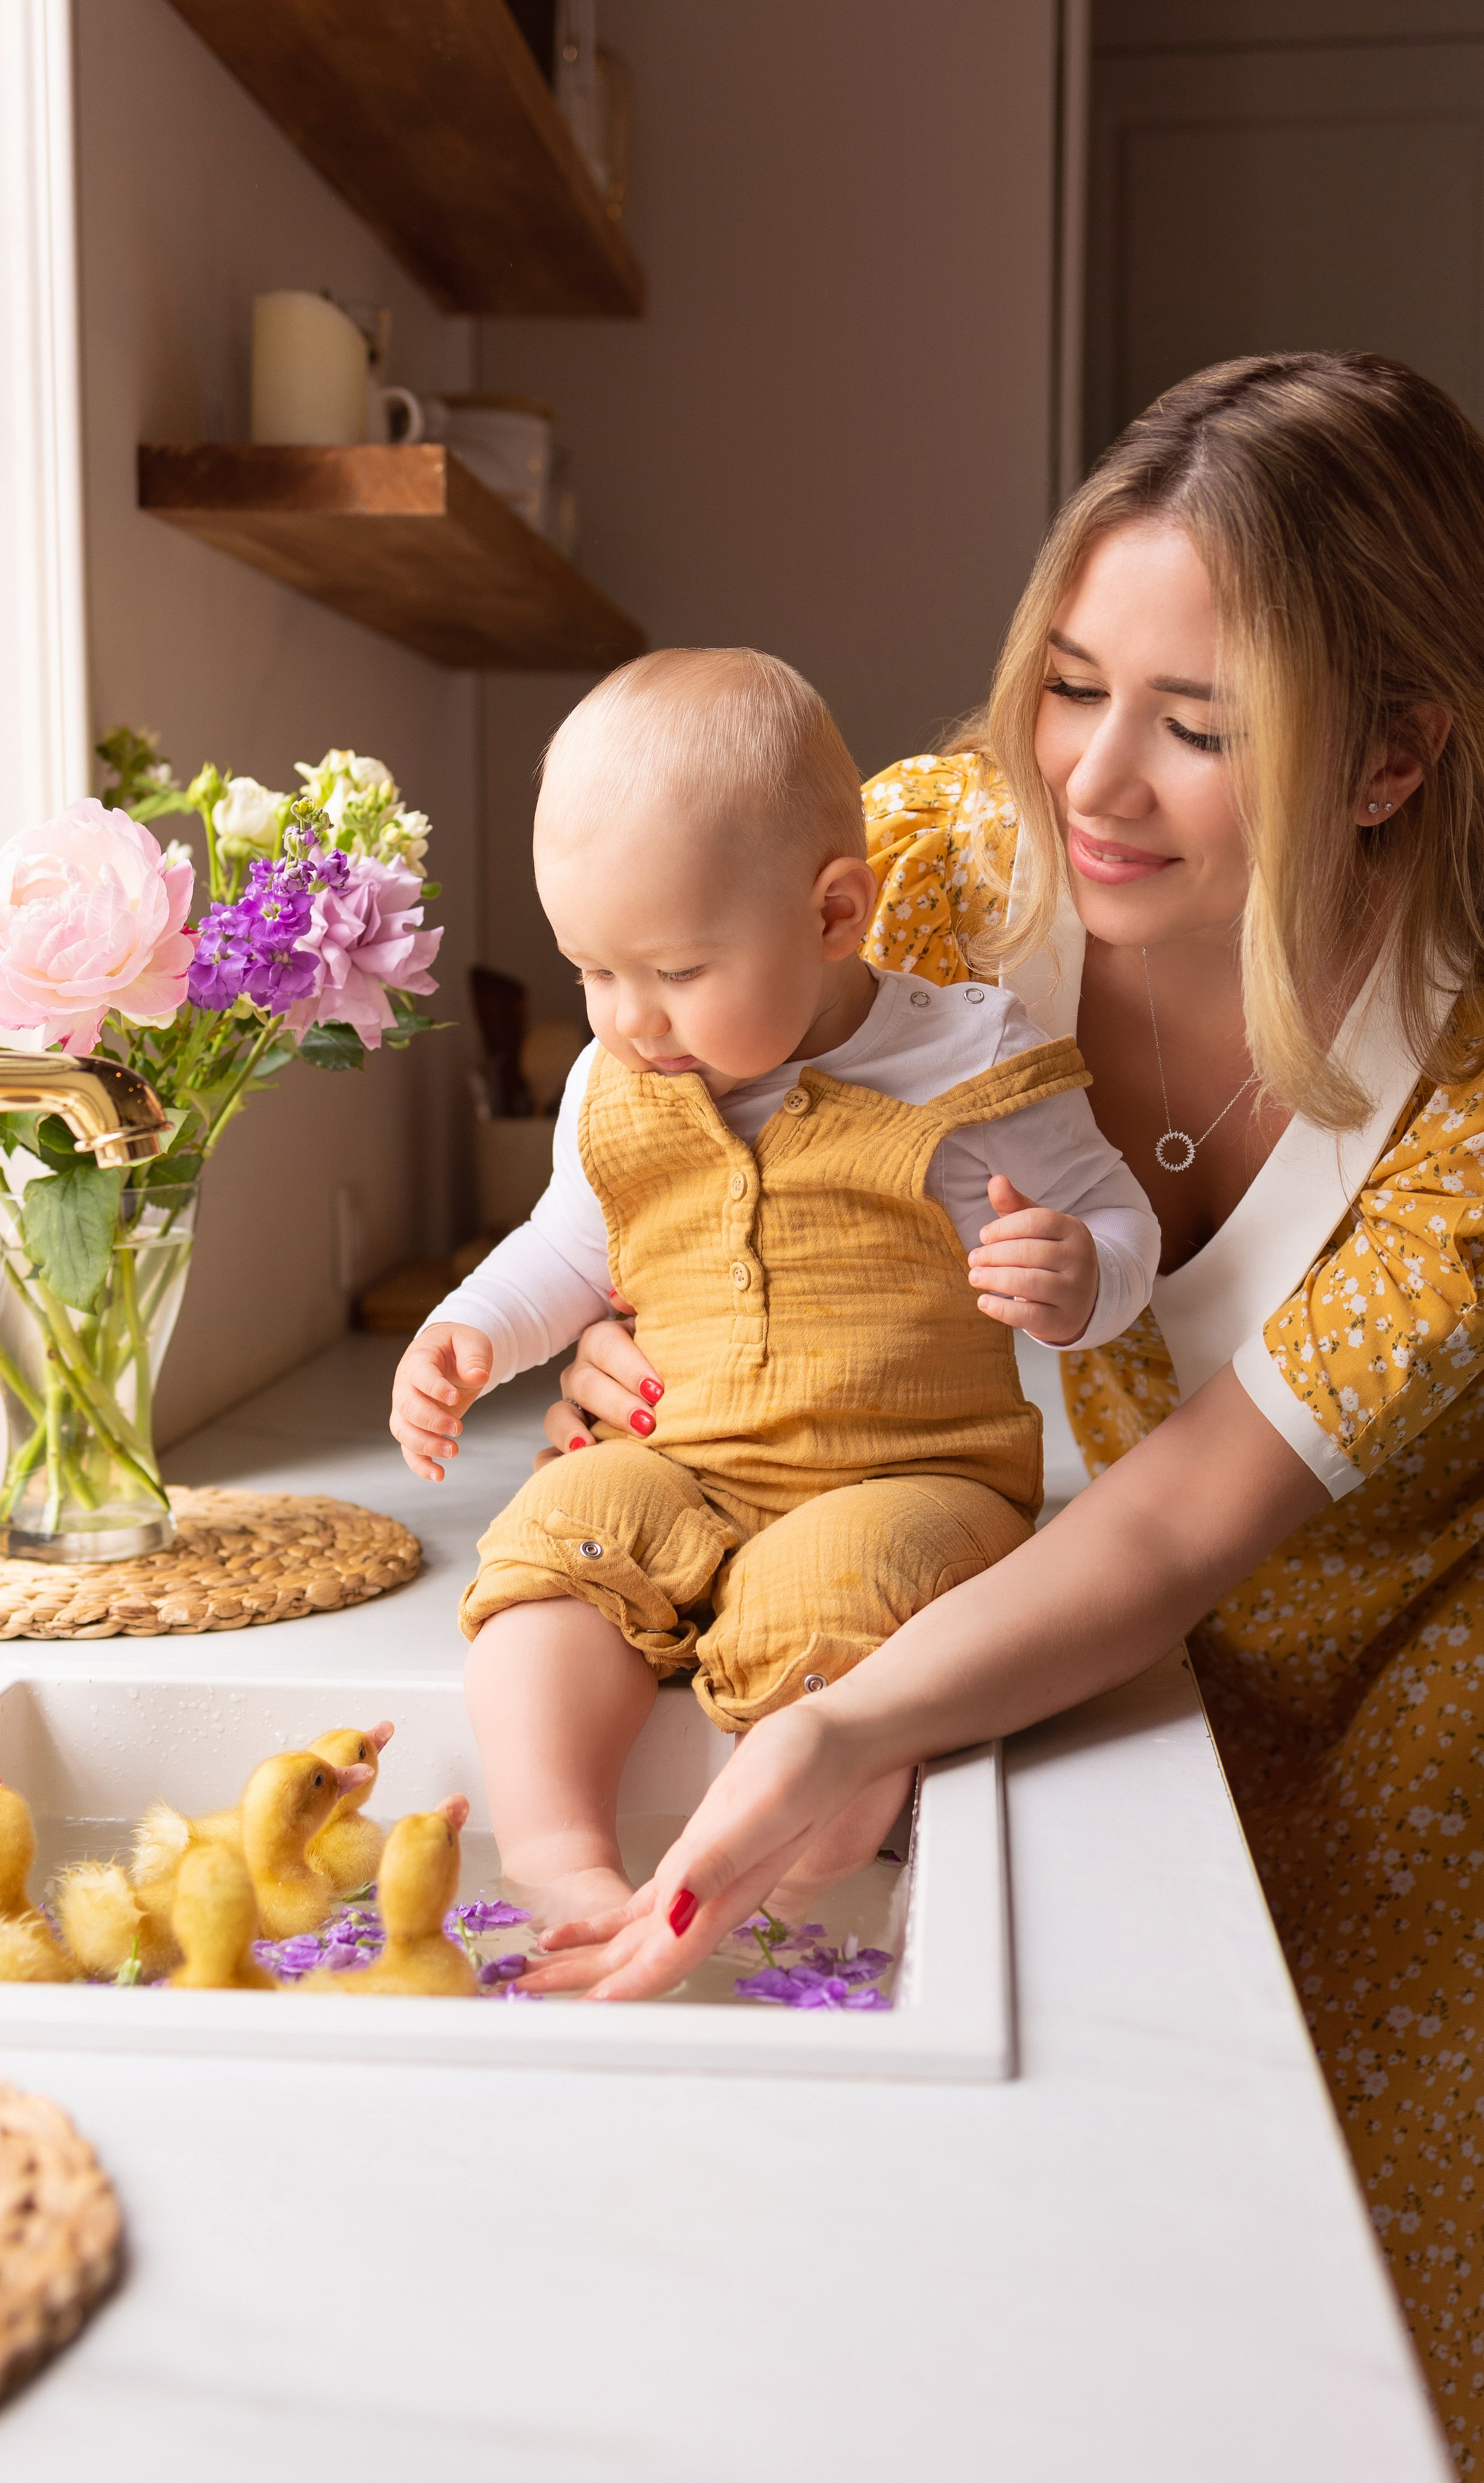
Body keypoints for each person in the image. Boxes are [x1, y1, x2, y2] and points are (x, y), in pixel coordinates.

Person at [522, 353, 1484, 2454]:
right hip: (1078, 1638)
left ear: (1393, 756)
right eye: (1067, 684)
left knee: (1372, 2335)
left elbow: (1185, 1514)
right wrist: (627, 1317)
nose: (1093, 782)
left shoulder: (1466, 1087)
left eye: (1200, 726)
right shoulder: (934, 874)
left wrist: (848, 1722)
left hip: (1417, 1685)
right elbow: (674, 1103)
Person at [390, 648, 1158, 1924]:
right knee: (555, 1534)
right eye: (593, 970)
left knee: (835, 1595)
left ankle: (784, 1893)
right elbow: (569, 1246)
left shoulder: (969, 1060)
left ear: (833, 915)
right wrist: (468, 1329)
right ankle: (557, 1859)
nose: (630, 1019)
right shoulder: (616, 1081)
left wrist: (1082, 1277)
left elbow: (1117, 1216)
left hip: (908, 1483)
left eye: (678, 972)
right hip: (683, 1467)